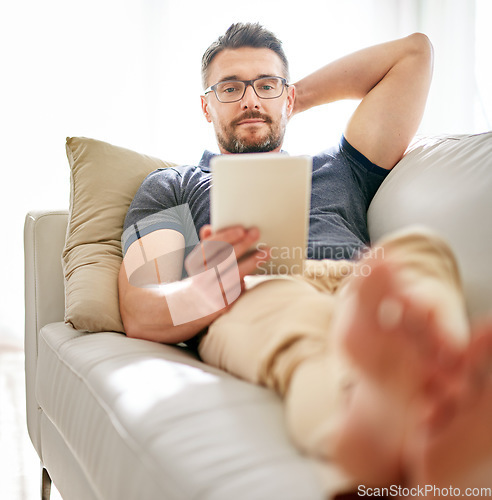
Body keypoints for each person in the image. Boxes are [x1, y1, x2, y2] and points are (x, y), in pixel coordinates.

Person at [118, 23, 492, 491]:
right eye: (230, 88)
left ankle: (442, 386)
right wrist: (205, 291)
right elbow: (138, 308)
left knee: (418, 249)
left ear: (289, 97)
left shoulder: (340, 163)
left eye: (266, 86)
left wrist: (282, 103)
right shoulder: (173, 184)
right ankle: (374, 434)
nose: (250, 100)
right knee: (303, 331)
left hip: (364, 280)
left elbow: (413, 55)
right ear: (205, 105)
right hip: (254, 290)